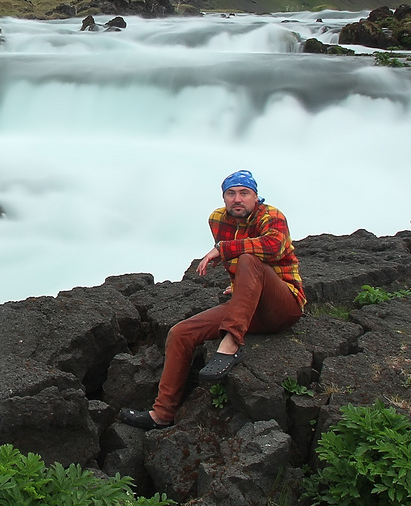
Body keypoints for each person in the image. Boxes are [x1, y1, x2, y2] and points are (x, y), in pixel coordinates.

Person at [118, 170, 305, 430]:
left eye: (244, 193)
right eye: (231, 193)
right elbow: (234, 265)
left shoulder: (272, 216)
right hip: (249, 307)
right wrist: (238, 287)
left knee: (250, 259)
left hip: (284, 306)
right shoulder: (218, 219)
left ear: (256, 196)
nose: (237, 199)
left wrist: (222, 248)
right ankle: (162, 414)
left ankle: (231, 344)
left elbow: (272, 247)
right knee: (181, 332)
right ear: (224, 197)